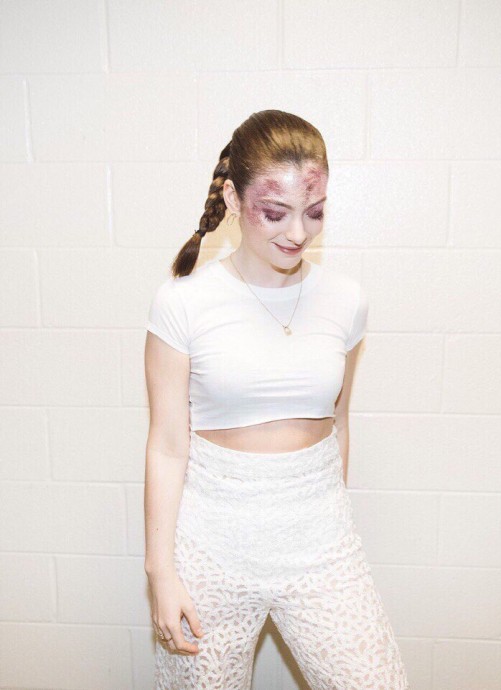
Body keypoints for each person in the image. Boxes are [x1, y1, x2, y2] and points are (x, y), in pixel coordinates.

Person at [144, 109, 410, 690]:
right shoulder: (182, 303)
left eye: (314, 211)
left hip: (319, 536)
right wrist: (160, 573)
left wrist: (329, 516)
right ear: (233, 199)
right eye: (275, 212)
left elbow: (338, 423)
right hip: (211, 541)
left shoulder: (347, 300)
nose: (297, 233)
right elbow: (166, 446)